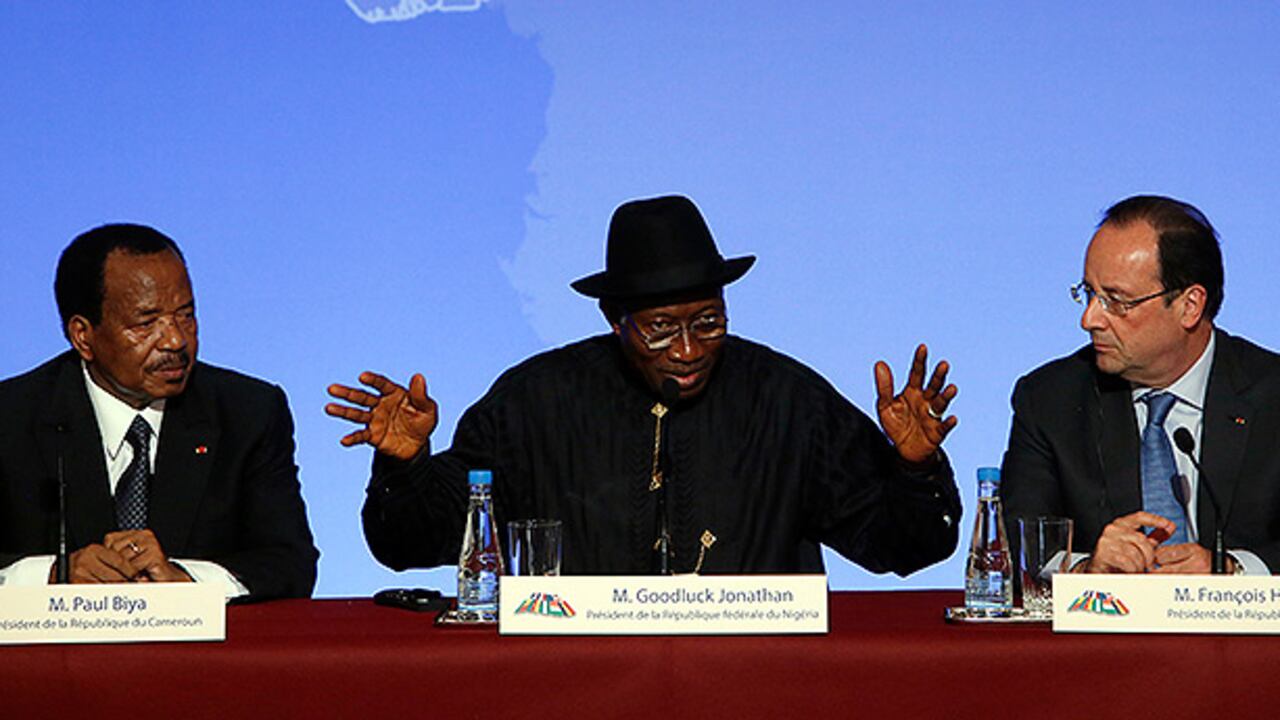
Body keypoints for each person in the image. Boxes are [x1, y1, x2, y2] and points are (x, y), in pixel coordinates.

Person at [328, 195, 961, 576]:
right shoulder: (532, 402)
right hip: (575, 690)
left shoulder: (788, 399)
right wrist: (404, 467)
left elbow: (903, 548)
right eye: (660, 329)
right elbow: (414, 545)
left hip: (754, 689)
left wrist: (916, 467)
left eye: (708, 323)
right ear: (614, 320)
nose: (687, 351)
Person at [0, 224, 318, 601]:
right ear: (83, 336)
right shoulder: (11, 418)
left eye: (186, 315)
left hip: (197, 659)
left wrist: (186, 581)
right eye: (146, 323)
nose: (175, 340)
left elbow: (290, 564)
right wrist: (52, 574)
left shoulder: (248, 412)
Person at [1001, 194, 1280, 575]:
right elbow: (1019, 544)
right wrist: (1087, 570)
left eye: (1117, 301)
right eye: (1089, 294)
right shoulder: (1050, 399)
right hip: (1105, 632)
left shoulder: (1272, 395)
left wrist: (1232, 571)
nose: (1089, 319)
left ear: (1189, 305)